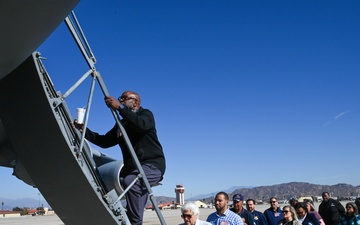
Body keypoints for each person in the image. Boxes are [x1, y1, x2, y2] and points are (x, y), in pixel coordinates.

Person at [74, 91, 166, 225]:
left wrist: (119, 108)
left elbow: (141, 125)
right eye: (120, 99)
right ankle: (133, 220)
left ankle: (134, 222)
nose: (121, 100)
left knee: (131, 181)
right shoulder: (121, 124)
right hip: (134, 170)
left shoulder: (145, 114)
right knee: (131, 184)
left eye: (124, 98)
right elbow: (105, 141)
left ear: (136, 102)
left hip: (152, 165)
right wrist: (83, 130)